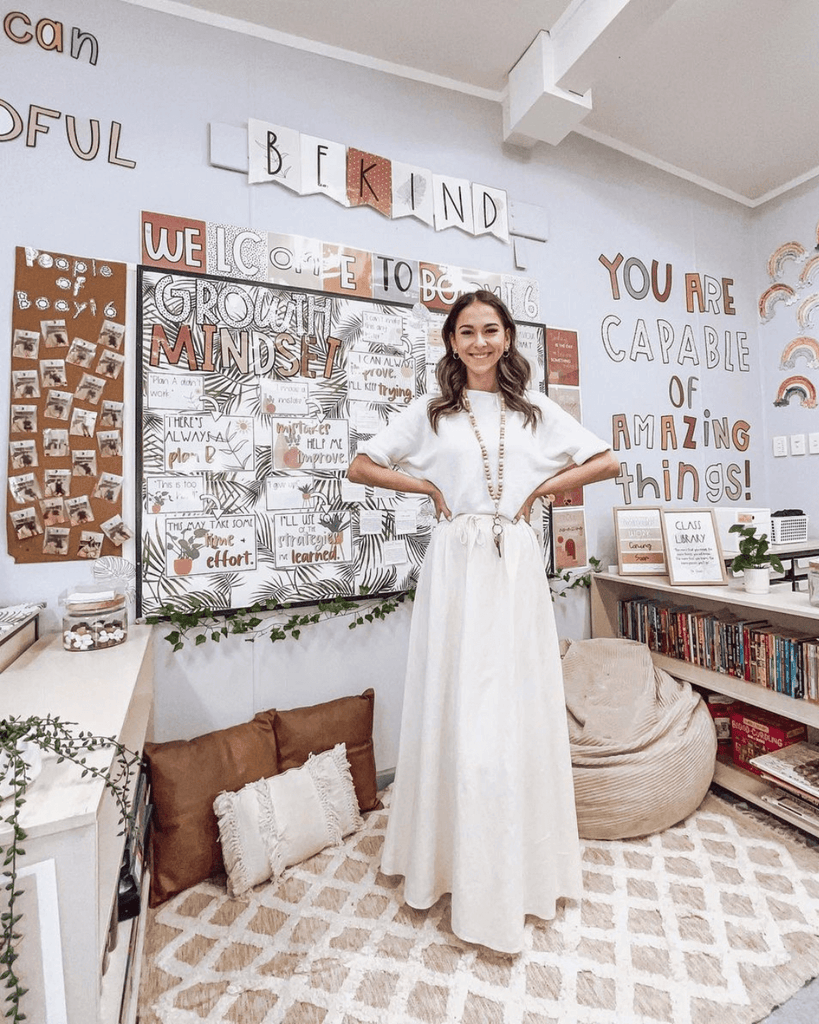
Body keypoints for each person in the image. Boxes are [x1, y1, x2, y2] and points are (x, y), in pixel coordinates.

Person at [347, 289, 619, 954]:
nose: (478, 342)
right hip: (456, 565)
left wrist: (536, 491)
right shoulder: (430, 414)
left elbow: (607, 461)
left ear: (506, 337)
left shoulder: (534, 413)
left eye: (489, 330)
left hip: (515, 564)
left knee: (514, 701)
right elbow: (360, 464)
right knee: (459, 699)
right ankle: (447, 859)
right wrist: (431, 490)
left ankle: (517, 862)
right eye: (465, 331)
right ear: (449, 341)